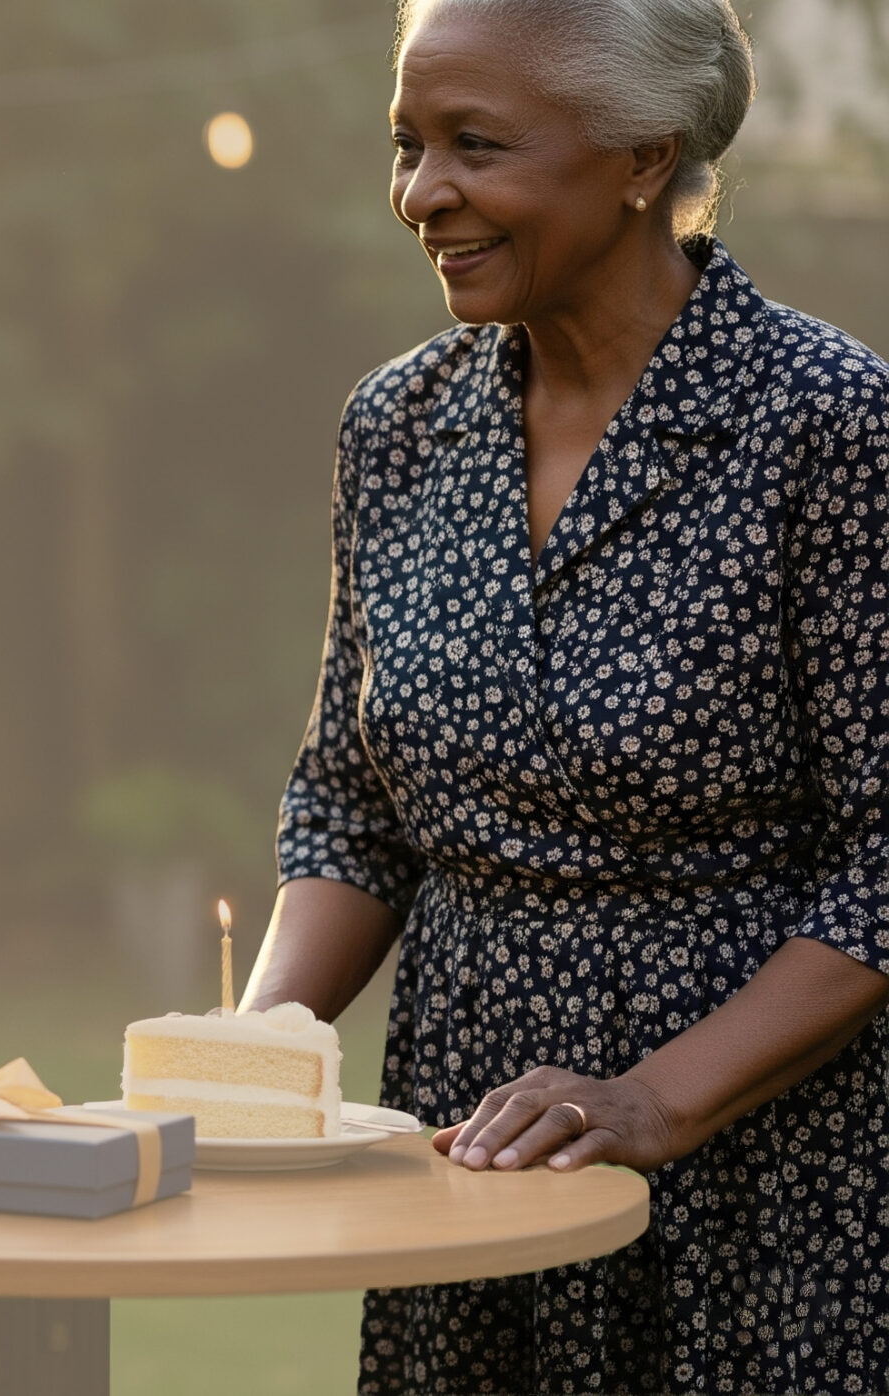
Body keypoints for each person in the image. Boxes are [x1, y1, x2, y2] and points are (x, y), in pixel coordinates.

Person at [241, 0, 889, 1390]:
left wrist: (655, 1099)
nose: (423, 193)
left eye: (477, 144)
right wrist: (249, 1060)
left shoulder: (828, 426)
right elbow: (354, 811)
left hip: (754, 1183)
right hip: (465, 1165)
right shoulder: (396, 428)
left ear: (644, 156)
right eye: (407, 144)